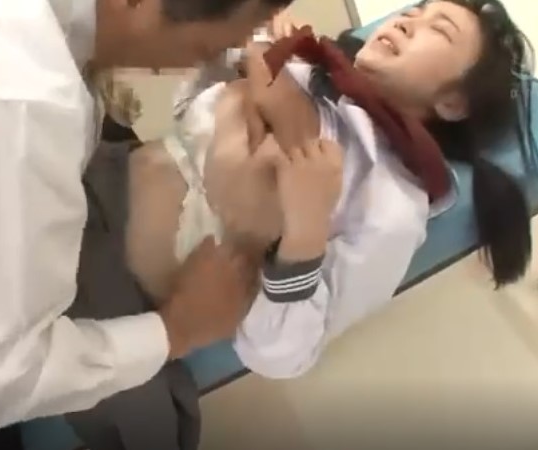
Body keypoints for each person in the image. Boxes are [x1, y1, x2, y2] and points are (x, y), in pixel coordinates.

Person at [0, 0, 294, 449]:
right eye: (204, 50)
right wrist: (179, 328)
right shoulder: (18, 101)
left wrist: (253, 47)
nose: (191, 67)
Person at [119, 0, 536, 380]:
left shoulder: (391, 206)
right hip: (107, 178)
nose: (407, 22)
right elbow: (186, 116)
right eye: (414, 11)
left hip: (121, 298)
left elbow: (280, 355)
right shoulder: (301, 70)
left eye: (439, 29)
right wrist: (247, 45)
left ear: (453, 103)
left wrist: (305, 232)